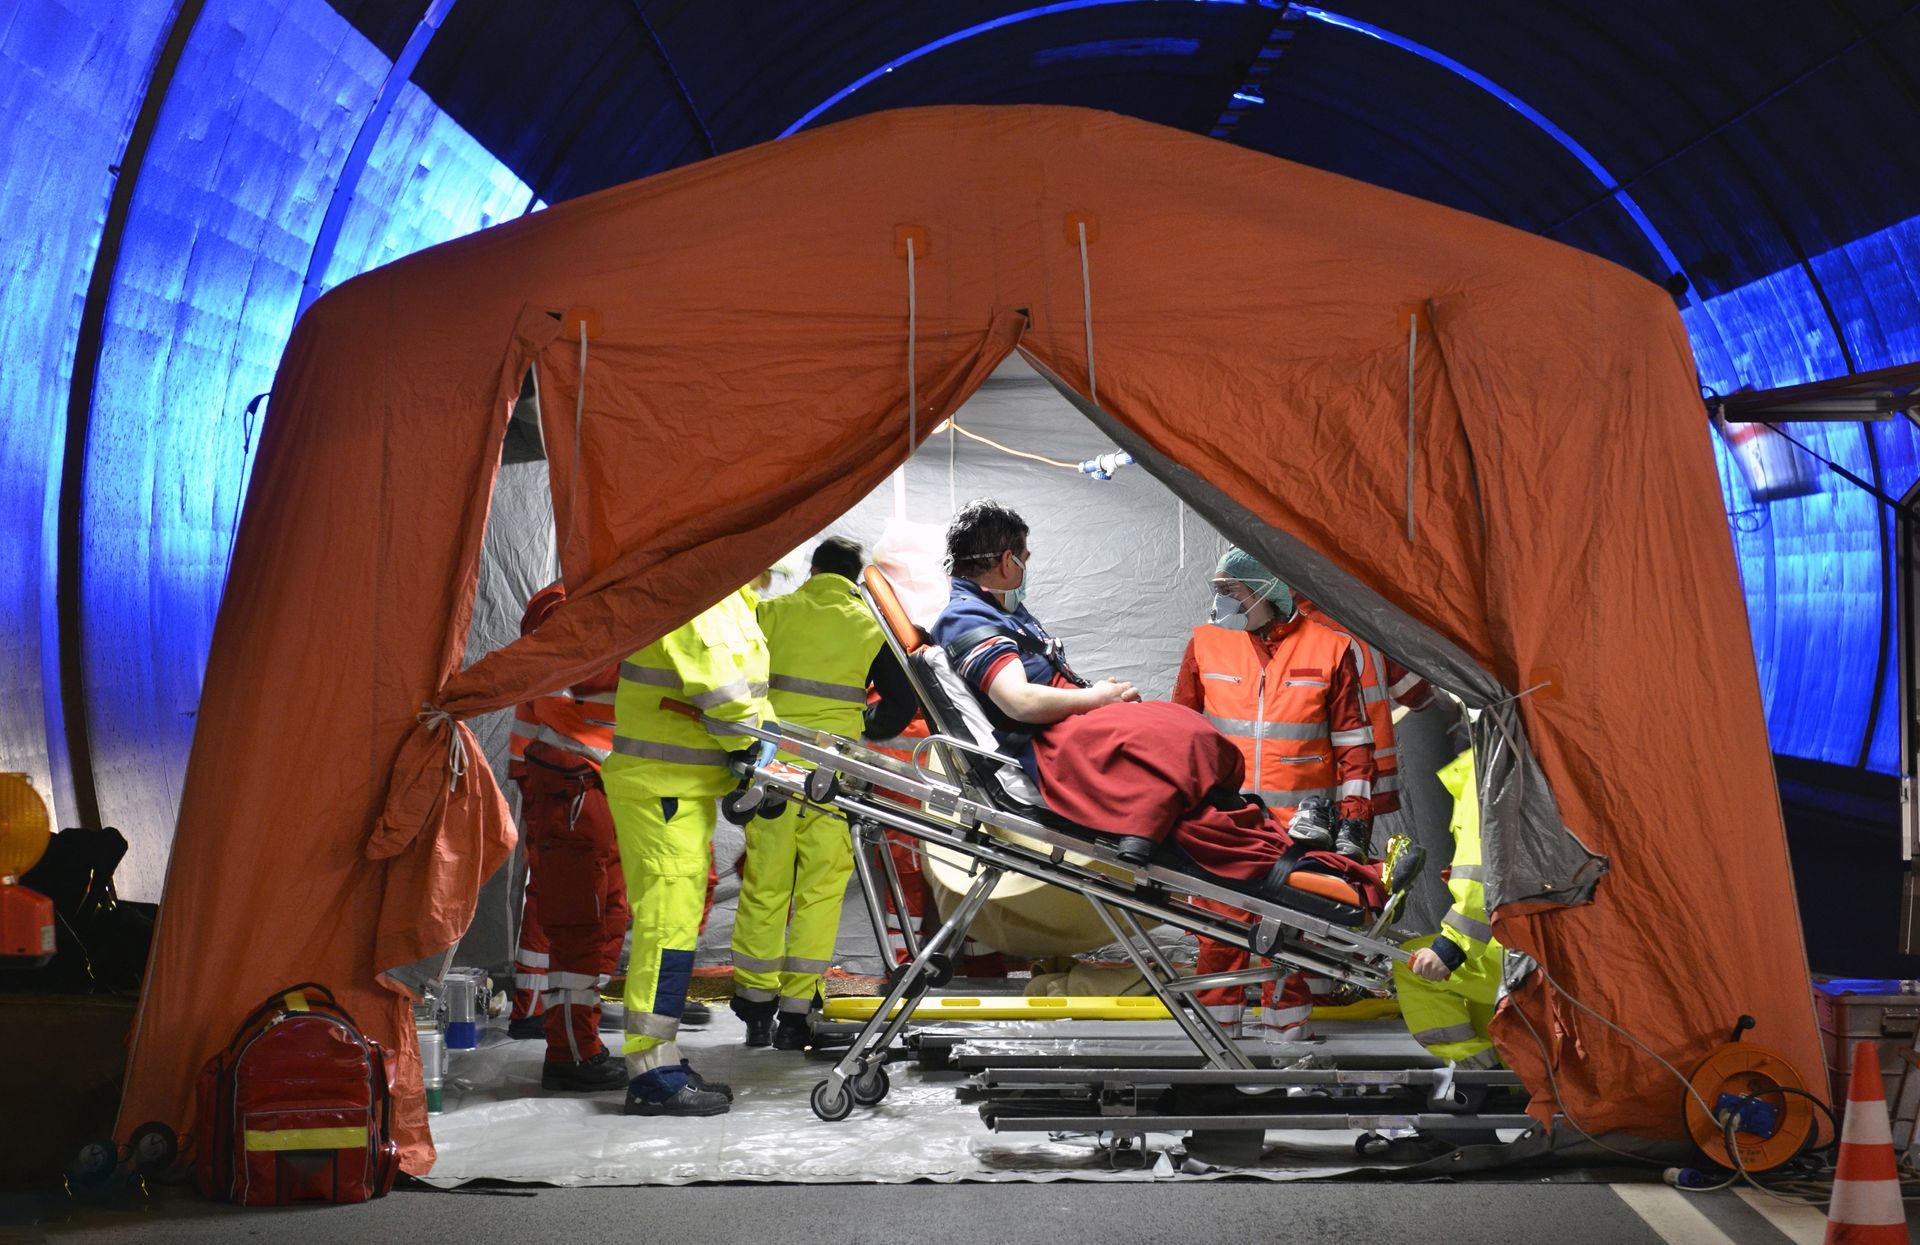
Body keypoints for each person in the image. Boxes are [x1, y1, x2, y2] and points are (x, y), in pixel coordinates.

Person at [1172, 548, 1377, 1041]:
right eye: (1217, 590)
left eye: (1231, 591)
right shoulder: (1205, 643)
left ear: (1267, 589)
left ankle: (1286, 1047)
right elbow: (1178, 731)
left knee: (1286, 940)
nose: (1220, 602)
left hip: (1298, 832)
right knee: (1218, 935)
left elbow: (1353, 743)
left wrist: (1353, 820)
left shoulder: (1330, 648)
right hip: (1225, 825)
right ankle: (1216, 1048)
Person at [603, 585, 775, 1116]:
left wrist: (759, 747)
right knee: (665, 934)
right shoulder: (702, 596)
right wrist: (754, 744)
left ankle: (661, 1058)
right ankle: (651, 1075)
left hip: (679, 789)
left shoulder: (731, 595)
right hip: (662, 790)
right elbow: (723, 694)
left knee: (674, 932)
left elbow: (742, 687)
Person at [730, 537, 885, 1049]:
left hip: (773, 767)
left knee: (767, 881)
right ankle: (797, 1013)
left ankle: (755, 1005)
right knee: (820, 889)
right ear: (855, 578)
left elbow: (738, 683)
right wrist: (861, 725)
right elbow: (901, 705)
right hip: (833, 774)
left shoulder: (770, 612)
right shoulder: (870, 625)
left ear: (813, 569)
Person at [502, 584, 628, 1091]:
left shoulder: (601, 600)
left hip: (594, 787)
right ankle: (571, 1052)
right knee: (579, 924)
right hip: (572, 788)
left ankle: (578, 1037)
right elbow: (572, 687)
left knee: (604, 918)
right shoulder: (567, 608)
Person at [929, 499, 1140, 775]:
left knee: (1176, 727)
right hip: (1053, 742)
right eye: (1023, 560)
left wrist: (1103, 696)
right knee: (1185, 742)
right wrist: (1097, 698)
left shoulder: (999, 608)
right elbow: (1020, 701)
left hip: (1072, 726)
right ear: (1007, 562)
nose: (1024, 571)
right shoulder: (965, 618)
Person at [1392, 746, 1503, 1072]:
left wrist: (1450, 947)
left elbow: (1480, 873)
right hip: (1542, 934)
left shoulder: (1482, 771)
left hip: (1517, 946)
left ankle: (1478, 1077)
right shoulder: (1522, 755)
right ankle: (1509, 1078)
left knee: (1412, 966)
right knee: (1480, 1001)